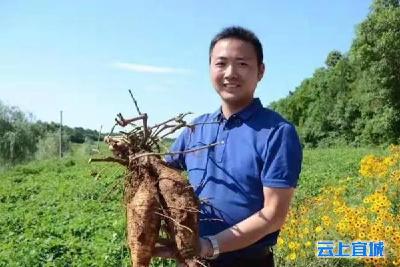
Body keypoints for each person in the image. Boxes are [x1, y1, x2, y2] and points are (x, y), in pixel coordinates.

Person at [155, 26, 302, 267]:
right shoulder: (196, 128)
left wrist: (209, 245)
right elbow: (159, 173)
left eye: (242, 64)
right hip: (193, 262)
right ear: (210, 68)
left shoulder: (277, 132)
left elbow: (273, 215)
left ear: (260, 71)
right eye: (221, 63)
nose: (230, 73)